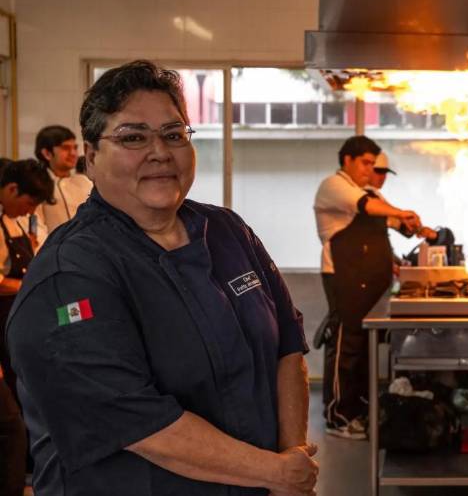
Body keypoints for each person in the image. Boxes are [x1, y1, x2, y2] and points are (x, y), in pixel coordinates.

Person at [6, 60, 318, 496]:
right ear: (91, 157)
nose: (160, 152)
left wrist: (292, 453)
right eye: (133, 137)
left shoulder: (227, 231)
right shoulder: (70, 274)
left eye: (174, 134)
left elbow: (287, 343)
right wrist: (277, 473)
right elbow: (137, 421)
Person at [313, 136, 422, 440]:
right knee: (346, 344)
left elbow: (394, 222)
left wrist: (416, 226)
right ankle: (337, 415)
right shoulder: (334, 186)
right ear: (347, 159)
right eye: (366, 163)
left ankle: (358, 410)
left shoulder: (370, 192)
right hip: (343, 276)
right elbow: (366, 207)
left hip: (370, 281)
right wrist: (401, 213)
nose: (370, 169)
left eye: (374, 164)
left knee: (363, 348)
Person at [0, 159, 53, 496]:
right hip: (1, 317)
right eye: (28, 202)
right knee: (9, 423)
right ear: (11, 189)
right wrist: (28, 285)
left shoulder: (15, 221)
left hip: (14, 321)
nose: (29, 209)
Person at [34, 125, 93, 233]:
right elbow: (35, 227)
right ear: (47, 153)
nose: (73, 153)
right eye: (65, 148)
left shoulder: (85, 182)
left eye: (75, 148)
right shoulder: (37, 185)